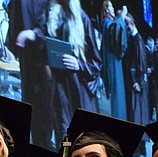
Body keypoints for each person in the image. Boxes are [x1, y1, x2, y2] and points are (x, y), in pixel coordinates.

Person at [46, 0, 101, 148]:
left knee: (81, 135)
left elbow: (96, 62)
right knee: (63, 133)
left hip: (78, 87)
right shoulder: (52, 16)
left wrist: (79, 64)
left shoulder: (82, 19)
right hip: (59, 86)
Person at [7, 0, 54, 149]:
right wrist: (10, 44)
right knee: (31, 106)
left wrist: (35, 34)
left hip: (47, 56)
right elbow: (16, 15)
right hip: (27, 56)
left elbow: (54, 17)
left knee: (48, 110)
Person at [99, 1, 127, 119]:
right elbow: (116, 30)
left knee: (118, 97)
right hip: (112, 64)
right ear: (106, 10)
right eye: (111, 6)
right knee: (117, 98)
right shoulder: (107, 23)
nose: (114, 8)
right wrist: (122, 16)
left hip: (113, 63)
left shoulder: (108, 23)